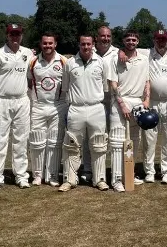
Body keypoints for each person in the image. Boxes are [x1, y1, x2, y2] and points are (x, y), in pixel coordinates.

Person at [58, 36, 110, 192]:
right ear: (79, 45)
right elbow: (65, 88)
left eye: (88, 44)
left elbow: (105, 88)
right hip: (76, 108)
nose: (85, 47)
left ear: (93, 45)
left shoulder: (101, 62)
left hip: (96, 107)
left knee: (99, 145)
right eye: (83, 44)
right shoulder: (70, 63)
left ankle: (99, 179)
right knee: (71, 145)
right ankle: (69, 180)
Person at [0, 23, 35, 190]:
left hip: (22, 100)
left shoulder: (27, 53)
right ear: (7, 36)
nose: (15, 37)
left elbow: (33, 74)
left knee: (21, 140)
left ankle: (21, 176)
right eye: (12, 34)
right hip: (2, 101)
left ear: (22, 36)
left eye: (18, 34)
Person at [107, 30, 151, 191]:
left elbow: (147, 81)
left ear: (138, 42)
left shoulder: (144, 59)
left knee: (134, 140)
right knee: (118, 142)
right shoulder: (115, 59)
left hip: (138, 102)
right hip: (120, 101)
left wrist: (146, 100)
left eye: (134, 39)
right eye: (128, 39)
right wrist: (122, 104)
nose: (131, 42)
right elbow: (113, 84)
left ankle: (129, 174)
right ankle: (117, 179)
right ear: (123, 41)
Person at [80, 25, 120, 183]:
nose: (106, 39)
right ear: (96, 38)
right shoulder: (89, 51)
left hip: (114, 101)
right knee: (91, 138)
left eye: (109, 36)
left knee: (116, 138)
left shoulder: (118, 52)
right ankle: (89, 169)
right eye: (103, 36)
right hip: (95, 102)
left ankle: (117, 170)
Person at [141, 29, 167, 184]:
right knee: (149, 139)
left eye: (163, 39)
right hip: (152, 102)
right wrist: (121, 53)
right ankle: (149, 171)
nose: (161, 42)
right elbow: (126, 49)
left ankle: (166, 171)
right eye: (158, 39)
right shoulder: (146, 54)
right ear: (153, 40)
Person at [28, 32, 68, 187]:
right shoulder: (33, 61)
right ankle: (37, 174)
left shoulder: (64, 61)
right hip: (38, 105)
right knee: (37, 140)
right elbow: (30, 83)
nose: (47, 46)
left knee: (55, 141)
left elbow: (68, 84)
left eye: (50, 43)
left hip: (58, 105)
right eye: (45, 43)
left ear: (55, 44)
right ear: (40, 44)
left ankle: (52, 174)